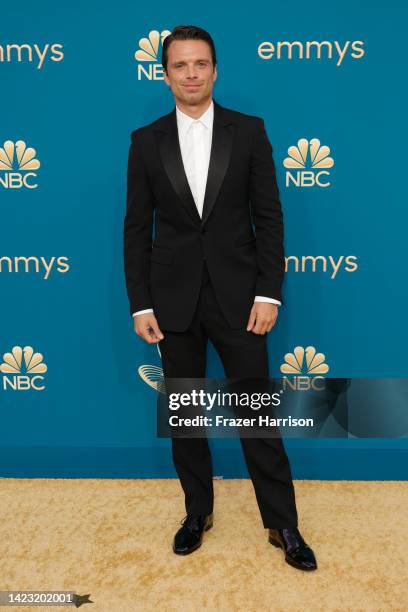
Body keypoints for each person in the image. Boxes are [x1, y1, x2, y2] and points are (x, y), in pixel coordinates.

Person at [124, 25, 317, 571]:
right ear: (165, 74)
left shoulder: (249, 131)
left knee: (258, 418)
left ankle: (284, 525)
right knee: (186, 417)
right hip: (171, 302)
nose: (191, 74)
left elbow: (270, 218)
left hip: (240, 299)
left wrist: (268, 292)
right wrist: (141, 304)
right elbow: (136, 229)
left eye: (200, 64)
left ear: (215, 70)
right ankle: (196, 513)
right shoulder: (145, 141)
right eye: (180, 65)